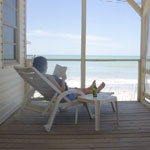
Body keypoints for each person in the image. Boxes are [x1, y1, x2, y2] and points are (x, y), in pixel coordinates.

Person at [32, 56, 105, 100]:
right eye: (46, 65)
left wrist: (56, 77)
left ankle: (90, 88)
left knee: (80, 89)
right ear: (44, 66)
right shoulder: (49, 77)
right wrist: (63, 79)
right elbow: (62, 90)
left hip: (57, 94)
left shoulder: (39, 77)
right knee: (83, 92)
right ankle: (96, 91)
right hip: (65, 95)